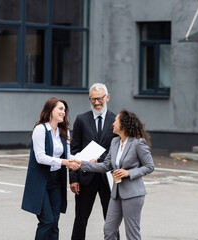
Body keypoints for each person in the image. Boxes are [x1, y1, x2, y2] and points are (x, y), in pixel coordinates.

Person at [71, 109, 155, 240]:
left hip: (133, 194)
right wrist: (81, 163)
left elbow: (149, 166)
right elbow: (105, 166)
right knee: (109, 230)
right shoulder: (115, 142)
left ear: (123, 124)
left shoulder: (138, 143)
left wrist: (129, 173)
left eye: (116, 121)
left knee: (132, 233)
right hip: (116, 193)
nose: (113, 123)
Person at [21, 97, 80, 240]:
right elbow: (40, 157)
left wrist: (84, 159)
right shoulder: (40, 129)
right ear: (50, 110)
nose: (63, 112)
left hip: (56, 182)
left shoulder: (64, 132)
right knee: (47, 221)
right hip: (40, 181)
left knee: (54, 222)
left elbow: (68, 154)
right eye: (60, 109)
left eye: (64, 110)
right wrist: (65, 162)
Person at [69, 83, 118, 240]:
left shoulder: (116, 121)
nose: (96, 103)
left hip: (108, 179)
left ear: (107, 97)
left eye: (99, 99)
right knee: (80, 219)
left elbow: (120, 151)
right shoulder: (81, 120)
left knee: (111, 220)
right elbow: (74, 151)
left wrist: (102, 160)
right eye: (93, 100)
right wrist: (73, 178)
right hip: (85, 178)